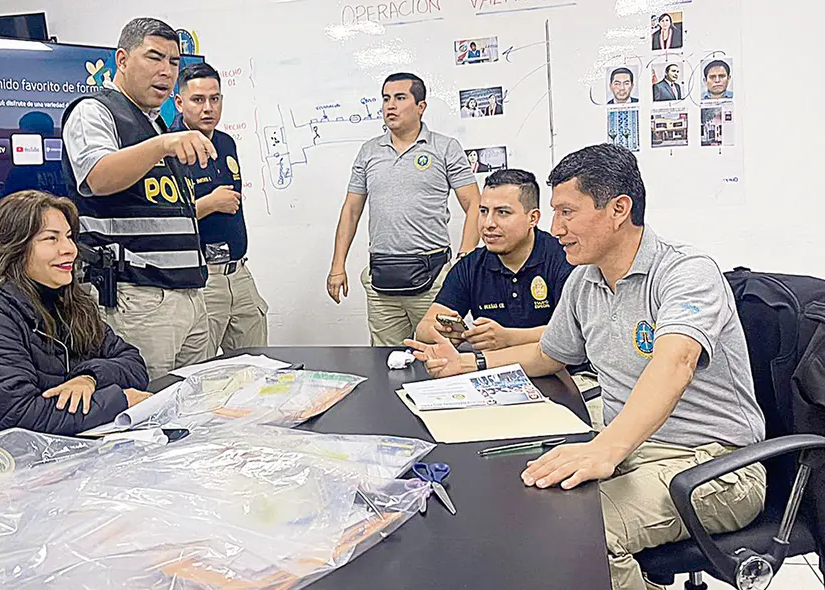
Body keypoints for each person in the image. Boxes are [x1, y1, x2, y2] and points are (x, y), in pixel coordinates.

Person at [406, 144, 767, 590]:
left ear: (618, 210)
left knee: (582, 535)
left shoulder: (686, 272)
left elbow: (676, 362)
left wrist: (605, 449)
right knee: (523, 503)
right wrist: (470, 363)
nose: (555, 228)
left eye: (567, 212)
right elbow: (548, 355)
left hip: (715, 466)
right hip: (634, 449)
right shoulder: (586, 279)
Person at [0, 191, 152, 450]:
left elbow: (133, 364)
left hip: (53, 452)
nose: (70, 249)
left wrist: (89, 378)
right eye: (51, 238)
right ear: (13, 248)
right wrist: (121, 401)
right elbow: (21, 419)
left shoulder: (67, 301)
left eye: (69, 237)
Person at [61, 18, 217, 379]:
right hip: (138, 297)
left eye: (173, 62)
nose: (166, 71)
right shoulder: (94, 110)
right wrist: (163, 144)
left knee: (197, 402)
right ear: (122, 59)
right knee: (147, 404)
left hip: (188, 294)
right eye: (154, 57)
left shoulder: (155, 123)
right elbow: (97, 176)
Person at [328, 72, 481, 346]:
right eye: (386, 98)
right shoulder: (369, 151)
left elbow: (474, 204)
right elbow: (351, 210)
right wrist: (337, 265)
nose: (390, 105)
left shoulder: (445, 148)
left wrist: (464, 259)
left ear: (421, 106)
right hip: (382, 281)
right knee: (385, 361)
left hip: (433, 279)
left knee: (438, 356)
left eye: (400, 98)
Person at [415, 169, 574, 351]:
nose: (488, 223)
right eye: (483, 211)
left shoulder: (564, 258)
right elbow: (423, 329)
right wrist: (443, 332)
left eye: (503, 212)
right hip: (490, 365)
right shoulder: (470, 266)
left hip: (556, 365)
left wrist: (508, 338)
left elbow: (573, 332)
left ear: (533, 218)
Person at [171, 63, 269, 353]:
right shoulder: (168, 148)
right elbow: (163, 219)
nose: (208, 108)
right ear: (179, 103)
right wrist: (209, 203)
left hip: (238, 272)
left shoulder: (226, 143)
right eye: (198, 100)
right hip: (201, 279)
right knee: (201, 368)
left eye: (214, 99)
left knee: (256, 361)